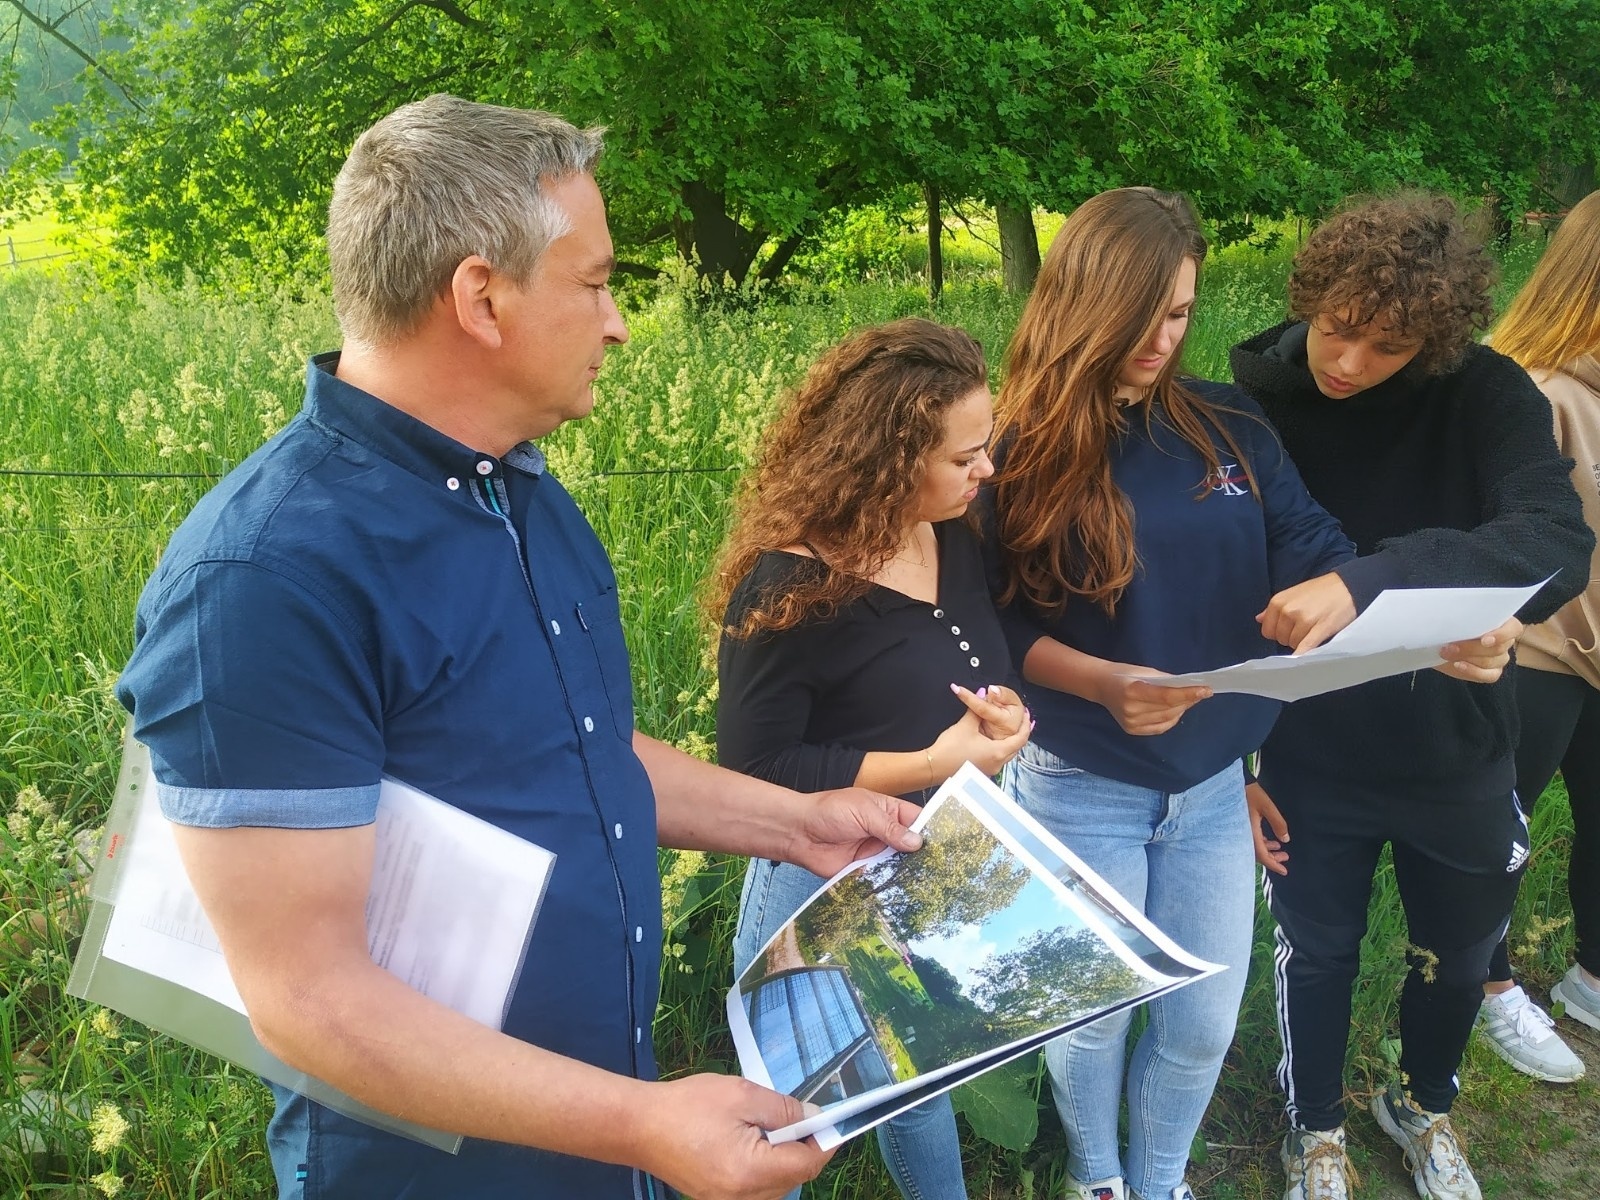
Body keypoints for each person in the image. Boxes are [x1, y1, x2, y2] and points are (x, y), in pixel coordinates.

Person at [113, 94, 927, 1200]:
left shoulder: (520, 494)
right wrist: (643, 1125)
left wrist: (793, 824)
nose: (618, 322)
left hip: (599, 1136)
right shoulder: (266, 578)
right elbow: (308, 998)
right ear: (480, 298)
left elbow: (569, 751)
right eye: (594, 283)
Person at [987, 186, 1384, 1200]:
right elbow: (990, 627)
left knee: (1204, 1016)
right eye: (1142, 314)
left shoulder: (1227, 420)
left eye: (1180, 312)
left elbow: (1309, 542)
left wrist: (1335, 595)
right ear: (1084, 300)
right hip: (1079, 780)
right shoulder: (1013, 445)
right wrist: (1100, 681)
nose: (1162, 339)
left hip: (1210, 788)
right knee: (1093, 1016)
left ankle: (1159, 1177)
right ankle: (1096, 1177)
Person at [1229, 192, 1595, 1200]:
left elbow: (1554, 539)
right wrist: (1232, 752)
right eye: (1336, 330)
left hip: (1457, 741)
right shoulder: (1249, 397)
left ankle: (1421, 1103)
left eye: (1386, 346)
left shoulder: (1486, 392)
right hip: (1308, 747)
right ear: (1308, 297)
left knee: (1457, 948)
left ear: (1433, 342)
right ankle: (1315, 1129)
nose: (1347, 363)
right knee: (1317, 954)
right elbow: (1215, 572)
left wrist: (1385, 585)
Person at [711, 317, 1032, 1200]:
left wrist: (999, 714)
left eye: (987, 447)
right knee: (796, 1101)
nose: (987, 472)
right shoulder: (790, 587)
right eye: (966, 457)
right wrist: (932, 759)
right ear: (891, 460)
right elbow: (754, 773)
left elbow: (968, 670)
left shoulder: (955, 533)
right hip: (815, 876)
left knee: (917, 1075)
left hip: (926, 863)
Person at [1474, 189, 1600, 1082]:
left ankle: (1592, 973)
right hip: (1538, 657)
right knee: (1498, 834)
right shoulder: (1535, 390)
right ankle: (1485, 988)